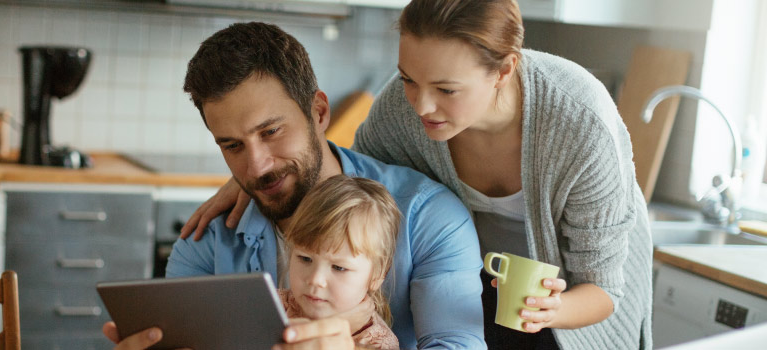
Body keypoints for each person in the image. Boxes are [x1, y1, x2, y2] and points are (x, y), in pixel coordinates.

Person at [181, 1, 654, 349]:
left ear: (505, 70)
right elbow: (350, 187)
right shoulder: (402, 110)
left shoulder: (579, 122)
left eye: (446, 89)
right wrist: (256, 175)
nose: (422, 106)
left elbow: (603, 285)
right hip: (482, 283)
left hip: (575, 294)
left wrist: (555, 310)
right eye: (408, 78)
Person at [104, 21, 486, 350]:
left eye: (271, 131)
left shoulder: (428, 217)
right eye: (232, 146)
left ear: (318, 112)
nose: (257, 166)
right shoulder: (207, 239)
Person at [280, 174, 401, 349]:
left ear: (377, 275)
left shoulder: (377, 343)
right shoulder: (272, 306)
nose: (315, 279)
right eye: (305, 258)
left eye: (338, 267)